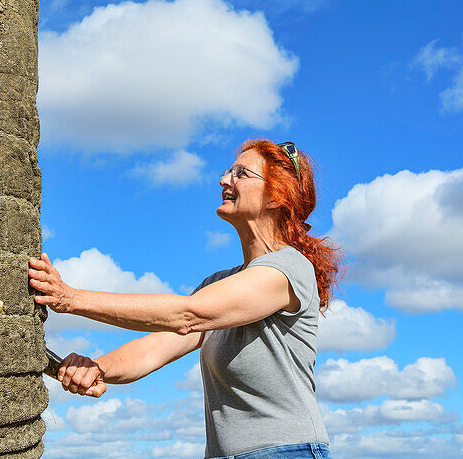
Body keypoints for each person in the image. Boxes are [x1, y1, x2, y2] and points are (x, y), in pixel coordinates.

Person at [29, 139, 341, 459]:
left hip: (287, 451)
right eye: (227, 172)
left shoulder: (290, 268)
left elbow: (188, 314)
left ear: (276, 195)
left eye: (241, 174)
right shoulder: (218, 284)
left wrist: (70, 299)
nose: (224, 179)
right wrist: (96, 368)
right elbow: (155, 347)